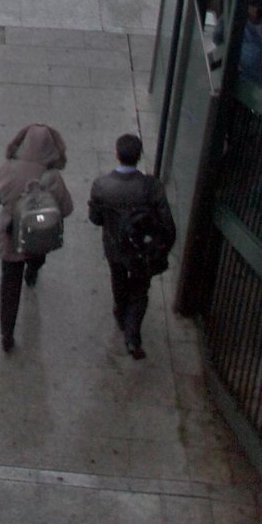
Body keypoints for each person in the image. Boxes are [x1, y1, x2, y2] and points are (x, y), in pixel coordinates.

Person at [88, 132, 176, 360]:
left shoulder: (101, 186)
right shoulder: (152, 187)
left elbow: (96, 218)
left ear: (117, 154)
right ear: (139, 156)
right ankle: (132, 336)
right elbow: (167, 224)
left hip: (115, 247)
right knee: (140, 289)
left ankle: (120, 311)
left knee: (118, 277)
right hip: (141, 250)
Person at [0, 122, 73, 353]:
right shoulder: (53, 176)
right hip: (38, 236)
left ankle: (7, 334)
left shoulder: (10, 168)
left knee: (9, 286)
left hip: (10, 236)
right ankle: (33, 272)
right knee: (36, 256)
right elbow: (66, 208)